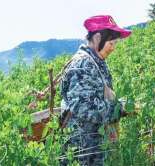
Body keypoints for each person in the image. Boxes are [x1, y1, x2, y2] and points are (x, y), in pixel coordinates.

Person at [59, 15, 132, 165]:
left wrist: (119, 105)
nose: (113, 47)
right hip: (83, 152)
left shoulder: (96, 61)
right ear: (98, 38)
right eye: (111, 43)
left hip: (94, 146)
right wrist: (119, 108)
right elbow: (84, 107)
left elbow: (97, 98)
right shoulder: (83, 64)